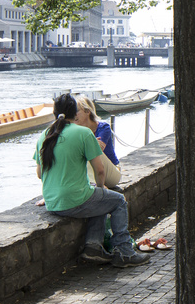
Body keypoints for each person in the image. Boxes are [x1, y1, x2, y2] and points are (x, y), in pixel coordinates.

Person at [34, 93, 150, 268]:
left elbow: (39, 173)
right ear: (75, 113)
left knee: (99, 201)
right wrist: (101, 189)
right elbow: (100, 170)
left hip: (52, 202)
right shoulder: (83, 133)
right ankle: (125, 252)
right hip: (73, 200)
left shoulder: (44, 135)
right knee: (117, 201)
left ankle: (93, 247)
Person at [74, 95, 119, 177]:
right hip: (93, 171)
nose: (73, 115)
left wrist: (86, 145)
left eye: (76, 111)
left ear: (87, 111)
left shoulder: (103, 127)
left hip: (111, 170)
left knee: (91, 151)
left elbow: (98, 149)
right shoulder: (77, 131)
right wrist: (92, 143)